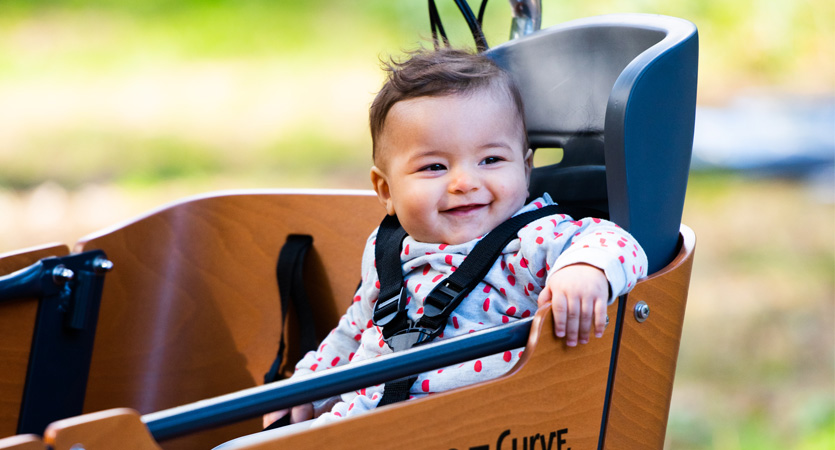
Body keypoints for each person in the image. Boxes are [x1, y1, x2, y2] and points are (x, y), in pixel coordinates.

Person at [264, 48, 647, 431]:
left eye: (491, 160)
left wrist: (583, 270)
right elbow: (355, 330)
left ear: (526, 168)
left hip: (463, 429)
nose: (465, 183)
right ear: (386, 190)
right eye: (434, 167)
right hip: (361, 422)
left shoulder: (531, 240)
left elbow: (616, 240)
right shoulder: (389, 250)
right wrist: (305, 387)